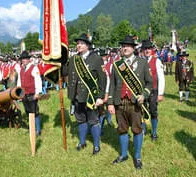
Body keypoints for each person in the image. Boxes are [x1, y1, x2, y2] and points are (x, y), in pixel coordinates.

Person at [108, 35, 153, 169]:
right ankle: (123, 154)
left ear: (133, 48)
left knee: (137, 129)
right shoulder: (117, 64)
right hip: (120, 102)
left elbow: (150, 83)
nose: (124, 48)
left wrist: (144, 95)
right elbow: (112, 85)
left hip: (135, 103)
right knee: (122, 129)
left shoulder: (143, 63)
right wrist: (110, 102)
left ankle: (137, 156)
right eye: (123, 46)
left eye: (127, 46)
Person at [67, 33, 106, 155]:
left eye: (81, 43)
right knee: (81, 120)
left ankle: (96, 145)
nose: (79, 45)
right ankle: (82, 142)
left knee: (93, 121)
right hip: (77, 96)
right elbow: (65, 72)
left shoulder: (96, 59)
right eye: (78, 43)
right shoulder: (74, 59)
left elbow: (103, 79)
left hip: (91, 97)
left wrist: (100, 96)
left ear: (88, 45)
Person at [141, 40, 165, 141]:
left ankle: (154, 132)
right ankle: (143, 130)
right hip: (142, 91)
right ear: (142, 50)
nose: (147, 50)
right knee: (141, 110)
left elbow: (161, 78)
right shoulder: (140, 61)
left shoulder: (157, 61)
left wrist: (160, 94)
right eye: (145, 49)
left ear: (152, 50)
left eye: (149, 49)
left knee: (153, 111)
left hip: (153, 91)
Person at [20, 51, 42, 136]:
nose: (24, 60)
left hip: (32, 93)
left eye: (26, 59)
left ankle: (38, 129)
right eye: (23, 59)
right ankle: (32, 128)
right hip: (24, 94)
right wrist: (19, 93)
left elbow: (38, 80)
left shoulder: (34, 68)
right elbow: (19, 82)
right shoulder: (21, 69)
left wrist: (37, 93)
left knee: (34, 111)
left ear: (29, 59)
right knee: (28, 111)